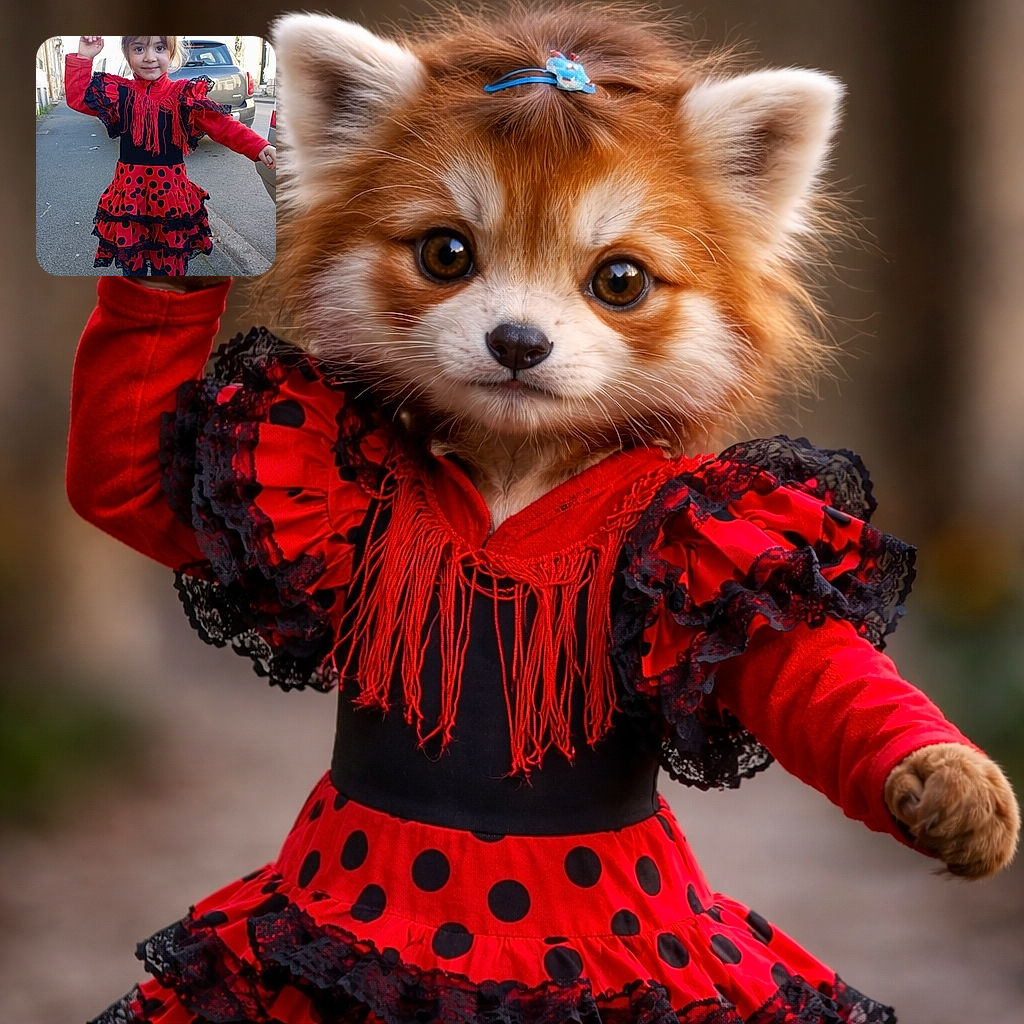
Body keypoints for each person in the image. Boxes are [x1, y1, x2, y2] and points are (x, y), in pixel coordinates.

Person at [64, 35, 275, 276]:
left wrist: (259, 147)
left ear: (171, 53)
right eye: (139, 48)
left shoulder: (183, 96)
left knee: (169, 268)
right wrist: (84, 57)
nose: (150, 57)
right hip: (131, 201)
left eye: (160, 47)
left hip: (170, 200)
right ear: (127, 54)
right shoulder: (119, 94)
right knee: (133, 266)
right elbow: (79, 98)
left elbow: (223, 125)